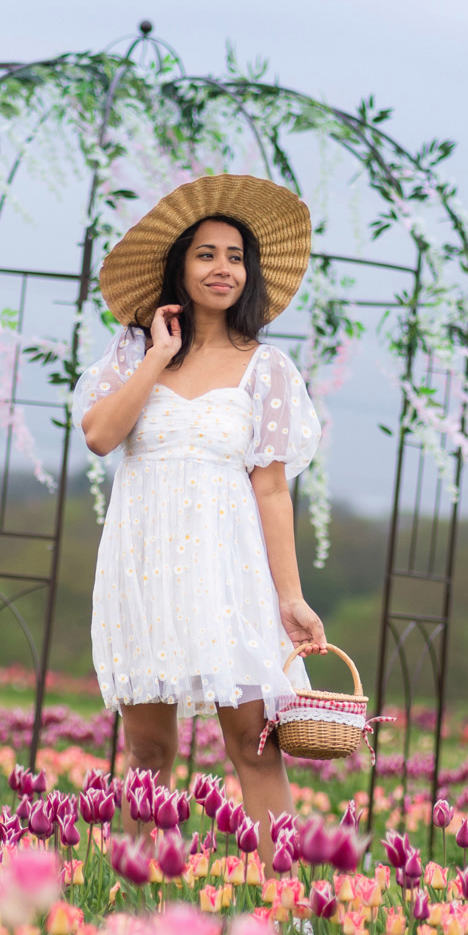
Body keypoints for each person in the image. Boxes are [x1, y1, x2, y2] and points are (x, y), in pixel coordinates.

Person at [75, 174, 326, 834]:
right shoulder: (133, 353)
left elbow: (271, 488)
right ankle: (131, 912)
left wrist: (291, 597)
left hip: (228, 575)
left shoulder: (265, 368)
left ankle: (296, 920)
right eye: (207, 254)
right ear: (179, 267)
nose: (223, 269)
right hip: (143, 566)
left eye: (235, 257)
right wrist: (158, 354)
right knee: (148, 753)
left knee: (255, 745)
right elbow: (101, 436)